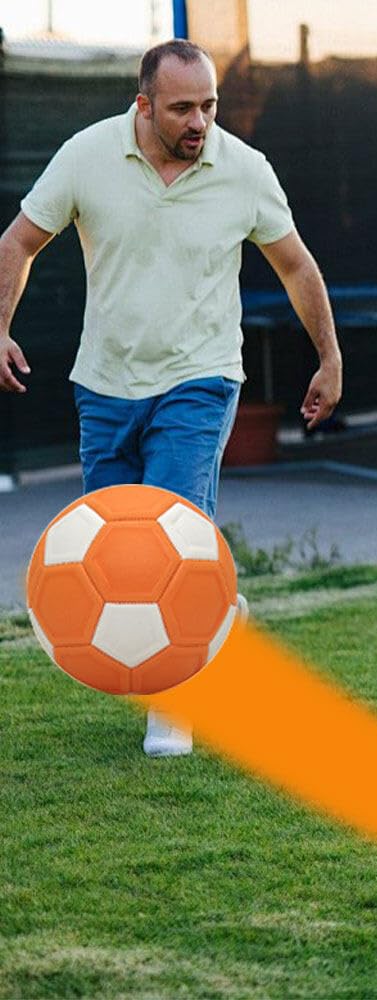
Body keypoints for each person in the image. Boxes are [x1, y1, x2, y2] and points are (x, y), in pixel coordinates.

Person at [0, 39, 343, 757]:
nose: (200, 122)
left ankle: (177, 703)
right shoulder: (86, 156)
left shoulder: (244, 170)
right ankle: (223, 617)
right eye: (183, 108)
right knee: (122, 557)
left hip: (200, 379)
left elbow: (295, 265)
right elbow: (18, 243)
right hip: (104, 385)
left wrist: (330, 356)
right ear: (144, 104)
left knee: (174, 535)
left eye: (209, 105)